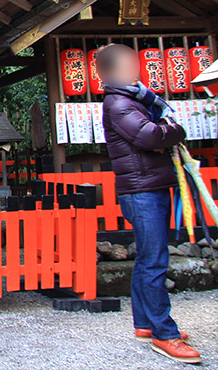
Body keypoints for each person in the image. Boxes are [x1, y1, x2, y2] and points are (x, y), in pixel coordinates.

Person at [97, 43, 201, 365]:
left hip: (147, 186)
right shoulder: (118, 102)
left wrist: (165, 132)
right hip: (141, 190)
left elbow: (156, 134)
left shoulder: (134, 100)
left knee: (148, 258)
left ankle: (145, 323)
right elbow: (150, 137)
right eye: (129, 64)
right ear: (113, 71)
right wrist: (175, 130)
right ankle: (164, 333)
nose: (136, 70)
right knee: (154, 261)